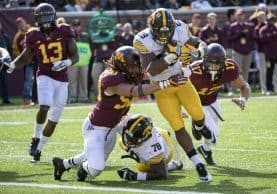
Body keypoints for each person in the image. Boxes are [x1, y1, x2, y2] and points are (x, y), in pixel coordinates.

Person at [51, 46, 187, 181]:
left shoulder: (132, 71)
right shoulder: (110, 79)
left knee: (142, 128)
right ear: (121, 66)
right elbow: (134, 91)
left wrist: (173, 67)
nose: (136, 69)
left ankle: (63, 164)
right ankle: (84, 168)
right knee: (96, 168)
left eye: (136, 65)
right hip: (97, 128)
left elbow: (151, 74)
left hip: (118, 121)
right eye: (132, 66)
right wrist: (165, 83)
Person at [133, 8, 212, 182]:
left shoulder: (180, 27)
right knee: (177, 125)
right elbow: (150, 69)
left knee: (199, 117)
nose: (163, 34)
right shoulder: (142, 39)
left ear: (172, 27)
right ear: (151, 28)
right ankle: (198, 162)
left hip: (182, 81)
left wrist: (201, 48)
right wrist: (171, 56)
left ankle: (198, 126)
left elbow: (195, 41)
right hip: (162, 87)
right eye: (159, 31)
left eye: (166, 30)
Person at [2, 3, 79, 162]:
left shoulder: (65, 30)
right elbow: (25, 56)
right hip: (44, 74)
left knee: (54, 120)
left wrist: (67, 62)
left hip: (62, 79)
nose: (45, 22)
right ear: (37, 19)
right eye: (42, 18)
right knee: (44, 105)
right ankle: (35, 138)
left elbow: (75, 55)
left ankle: (39, 148)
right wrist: (12, 66)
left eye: (47, 18)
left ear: (54, 17)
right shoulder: (32, 34)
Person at [189, 43, 251, 165]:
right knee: (214, 134)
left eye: (217, 64)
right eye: (210, 63)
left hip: (212, 101)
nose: (213, 67)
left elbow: (244, 86)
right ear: (204, 61)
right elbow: (180, 91)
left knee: (210, 136)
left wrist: (243, 99)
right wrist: (181, 108)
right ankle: (196, 123)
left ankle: (205, 151)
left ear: (223, 63)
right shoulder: (194, 71)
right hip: (195, 103)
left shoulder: (230, 68)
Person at [117, 114, 183, 181]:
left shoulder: (152, 146)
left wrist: (135, 176)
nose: (128, 141)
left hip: (166, 146)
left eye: (133, 138)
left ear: (144, 137)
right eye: (128, 136)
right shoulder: (124, 124)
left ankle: (172, 164)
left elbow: (162, 175)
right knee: (122, 142)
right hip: (155, 132)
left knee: (143, 168)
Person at [13, 17, 35, 105]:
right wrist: (23, 58)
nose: (20, 25)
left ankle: (36, 98)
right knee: (28, 80)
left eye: (21, 22)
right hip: (28, 62)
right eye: (18, 24)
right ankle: (26, 99)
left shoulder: (33, 30)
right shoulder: (18, 36)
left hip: (38, 59)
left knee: (39, 79)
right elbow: (15, 50)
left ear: (25, 22)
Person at [0, 21, 13, 105]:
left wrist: (10, 60)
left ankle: (5, 99)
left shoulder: (5, 37)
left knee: (4, 82)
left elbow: (9, 49)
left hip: (3, 63)